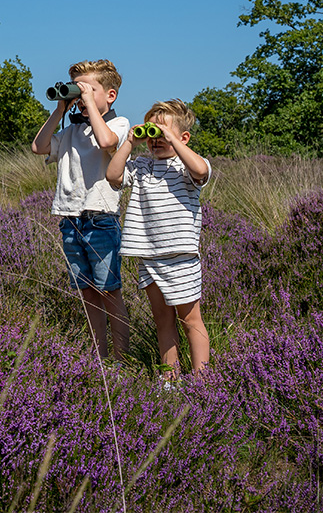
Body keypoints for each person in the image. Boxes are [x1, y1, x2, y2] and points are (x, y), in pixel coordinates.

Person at [31, 59, 131, 361]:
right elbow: (39, 147)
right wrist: (61, 109)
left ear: (110, 95)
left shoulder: (119, 123)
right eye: (77, 86)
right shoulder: (72, 131)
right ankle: (99, 357)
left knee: (109, 291)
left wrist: (88, 101)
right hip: (70, 220)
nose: (82, 94)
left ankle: (121, 357)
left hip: (101, 219)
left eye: (90, 88)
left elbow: (106, 142)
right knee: (87, 293)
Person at [106, 99, 212, 377]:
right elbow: (113, 175)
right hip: (149, 255)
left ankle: (203, 381)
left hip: (181, 256)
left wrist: (174, 142)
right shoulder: (141, 166)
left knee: (190, 320)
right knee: (162, 320)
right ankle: (170, 378)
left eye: (161, 133)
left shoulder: (186, 167)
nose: (154, 140)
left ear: (184, 138)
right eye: (149, 132)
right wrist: (129, 142)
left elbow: (201, 171)